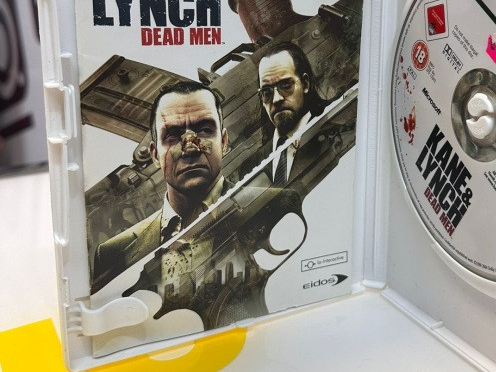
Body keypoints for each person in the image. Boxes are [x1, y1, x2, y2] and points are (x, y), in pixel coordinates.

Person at [92, 80, 229, 291]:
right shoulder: (112, 253)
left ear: (224, 142)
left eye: (204, 130)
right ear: (155, 155)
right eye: (172, 136)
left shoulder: (271, 200)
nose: (190, 148)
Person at [252, 41, 327, 186]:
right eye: (267, 92)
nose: (276, 99)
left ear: (305, 84)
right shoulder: (253, 166)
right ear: (261, 98)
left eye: (286, 85)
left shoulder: (333, 127)